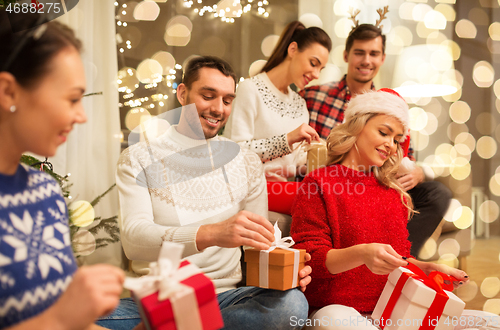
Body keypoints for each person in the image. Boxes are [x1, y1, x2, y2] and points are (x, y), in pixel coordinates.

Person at [116, 55, 310, 330]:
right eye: (208, 96)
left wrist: (287, 271)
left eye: (228, 100)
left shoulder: (246, 161)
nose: (219, 109)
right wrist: (213, 233)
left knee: (292, 304)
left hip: (224, 300)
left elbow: (261, 245)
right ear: (182, 93)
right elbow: (134, 241)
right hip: (158, 299)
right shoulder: (138, 157)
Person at [290, 89, 468, 327]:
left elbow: (399, 260)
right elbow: (311, 259)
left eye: (397, 140)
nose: (391, 146)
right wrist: (363, 253)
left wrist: (427, 268)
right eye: (384, 132)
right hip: (336, 310)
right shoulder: (319, 183)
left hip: (391, 307)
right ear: (357, 126)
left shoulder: (392, 191)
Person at [0, 14, 125, 330]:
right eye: (72, 99)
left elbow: (73, 320)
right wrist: (59, 319)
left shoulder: (45, 192)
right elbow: (60, 319)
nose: (81, 116)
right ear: (8, 92)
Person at [299, 23, 451, 257]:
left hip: (377, 184)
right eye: (360, 52)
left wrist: (418, 173)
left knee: (437, 193)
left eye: (374, 54)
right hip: (337, 187)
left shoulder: (391, 106)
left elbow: (404, 157)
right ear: (346, 55)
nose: (366, 60)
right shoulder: (313, 96)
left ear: (382, 58)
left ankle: (399, 256)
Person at [223, 21, 330, 182]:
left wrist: (323, 151)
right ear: (293, 49)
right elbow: (235, 152)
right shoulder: (250, 89)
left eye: (320, 69)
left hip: (285, 197)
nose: (316, 75)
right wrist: (287, 139)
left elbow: (295, 164)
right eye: (313, 63)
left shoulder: (300, 104)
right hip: (250, 196)